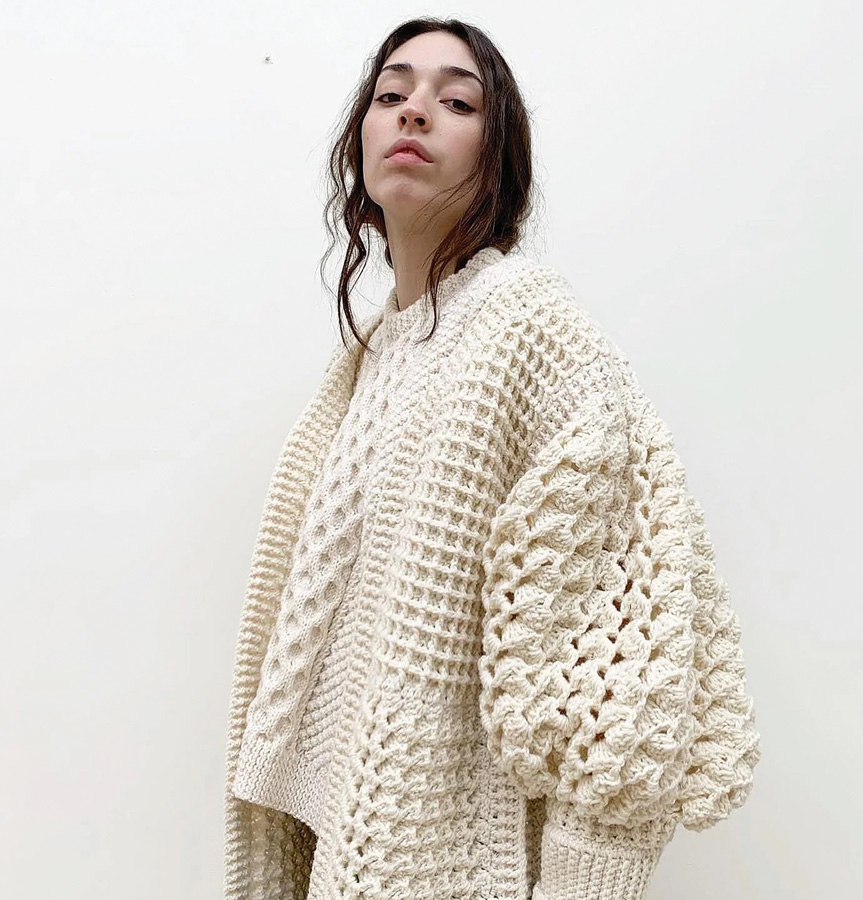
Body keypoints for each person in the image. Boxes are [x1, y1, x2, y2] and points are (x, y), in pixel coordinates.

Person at [223, 16, 762, 900]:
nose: (414, 112)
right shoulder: (371, 356)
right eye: (391, 93)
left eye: (457, 101)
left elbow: (626, 651)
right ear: (359, 140)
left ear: (498, 156)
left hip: (449, 865)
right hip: (333, 844)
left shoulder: (531, 333)